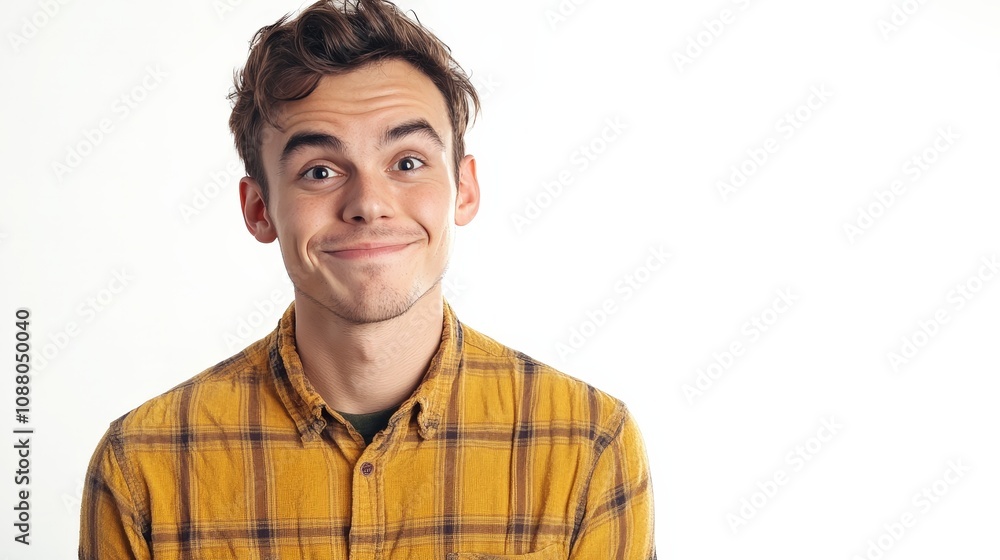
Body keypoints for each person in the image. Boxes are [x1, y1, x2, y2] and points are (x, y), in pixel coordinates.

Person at [79, 1, 655, 558]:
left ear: (466, 189)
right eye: (320, 171)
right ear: (259, 210)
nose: (369, 204)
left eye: (407, 162)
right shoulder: (142, 468)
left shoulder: (589, 445)